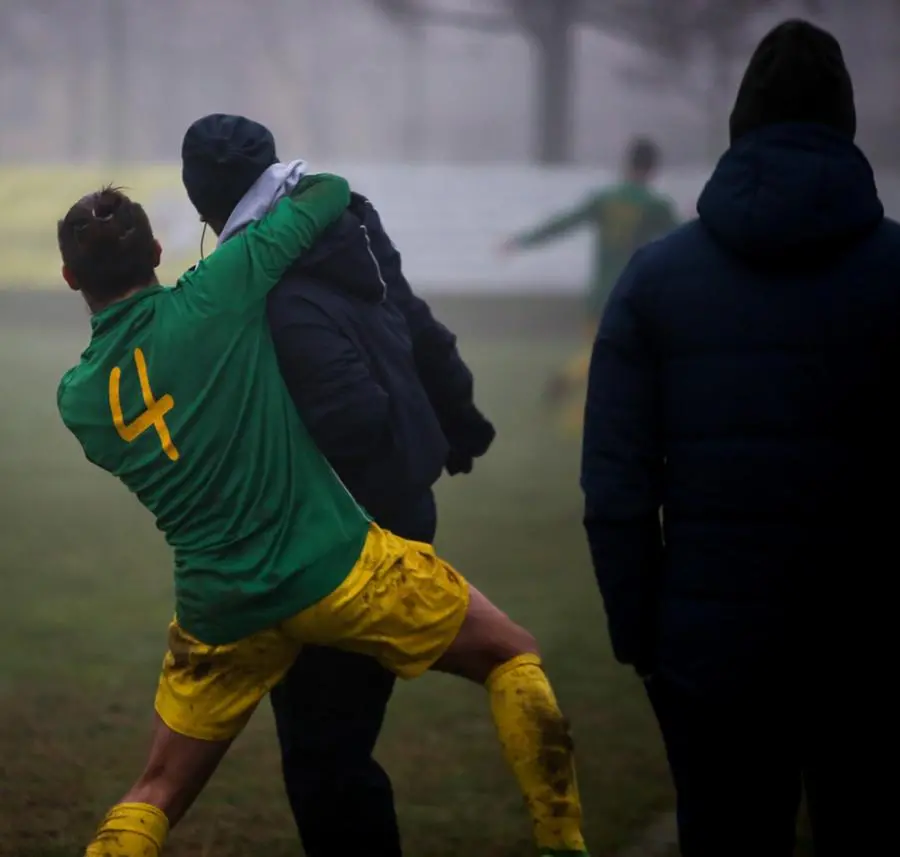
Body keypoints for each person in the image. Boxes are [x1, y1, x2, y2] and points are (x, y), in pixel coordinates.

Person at [57, 181, 588, 856]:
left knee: (156, 789)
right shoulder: (217, 291)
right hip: (336, 570)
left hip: (220, 611)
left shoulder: (76, 399)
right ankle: (563, 840)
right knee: (511, 651)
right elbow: (324, 196)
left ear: (71, 276)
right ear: (159, 249)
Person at [581, 19, 898, 857]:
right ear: (846, 126)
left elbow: (615, 488)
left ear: (738, 128)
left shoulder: (654, 279)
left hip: (709, 656)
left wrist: (641, 633)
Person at [180, 113, 495, 857]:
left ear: (205, 206)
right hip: (398, 510)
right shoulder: (346, 223)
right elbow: (412, 321)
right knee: (336, 743)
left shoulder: (262, 286)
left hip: (343, 541)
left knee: (325, 756)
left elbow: (348, 415)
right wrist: (458, 419)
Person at [501, 137, 678, 427]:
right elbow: (682, 237)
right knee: (616, 359)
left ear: (627, 164)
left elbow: (563, 224)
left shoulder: (604, 199)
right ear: (653, 169)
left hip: (597, 292)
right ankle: (573, 386)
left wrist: (521, 241)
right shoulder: (655, 205)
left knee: (602, 354)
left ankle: (581, 405)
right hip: (630, 290)